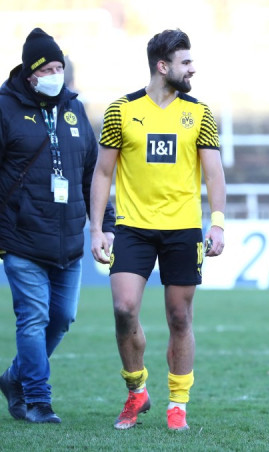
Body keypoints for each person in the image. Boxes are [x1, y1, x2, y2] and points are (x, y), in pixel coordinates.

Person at [89, 28, 226, 432]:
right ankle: (136, 391)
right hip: (132, 228)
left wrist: (217, 223)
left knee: (180, 317)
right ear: (162, 66)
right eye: (186, 62)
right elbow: (102, 172)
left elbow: (214, 174)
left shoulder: (199, 113)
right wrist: (96, 229)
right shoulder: (121, 110)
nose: (193, 69)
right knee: (123, 308)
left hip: (183, 229)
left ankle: (178, 404)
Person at [0, 28, 116, 424]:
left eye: (59, 67)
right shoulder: (4, 108)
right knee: (33, 318)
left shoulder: (74, 109)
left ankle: (14, 377)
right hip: (21, 237)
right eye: (47, 68)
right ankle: (37, 400)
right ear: (29, 73)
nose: (55, 75)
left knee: (62, 317)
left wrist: (106, 222)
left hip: (67, 240)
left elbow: (93, 173)